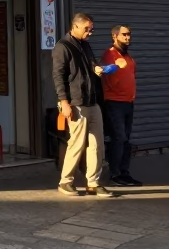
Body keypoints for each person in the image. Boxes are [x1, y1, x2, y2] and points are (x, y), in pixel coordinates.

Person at [53, 12, 120, 198]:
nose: (90, 32)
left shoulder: (85, 45)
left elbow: (91, 64)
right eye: (87, 29)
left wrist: (97, 68)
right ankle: (65, 181)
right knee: (76, 144)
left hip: (92, 101)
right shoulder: (63, 47)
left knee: (97, 145)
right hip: (76, 102)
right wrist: (64, 102)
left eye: (91, 29)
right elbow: (58, 76)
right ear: (75, 27)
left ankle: (93, 183)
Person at [102, 25, 141, 187]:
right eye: (124, 35)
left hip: (128, 103)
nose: (128, 37)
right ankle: (115, 174)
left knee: (126, 140)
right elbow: (108, 80)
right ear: (115, 36)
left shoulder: (128, 57)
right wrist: (117, 66)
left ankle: (125, 173)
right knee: (119, 138)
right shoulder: (110, 55)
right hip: (114, 103)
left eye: (129, 34)